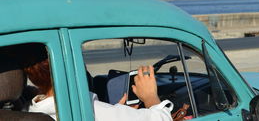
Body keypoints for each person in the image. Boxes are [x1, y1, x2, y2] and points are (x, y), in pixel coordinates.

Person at [24, 56, 173, 121]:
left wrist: (115, 111)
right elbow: (162, 119)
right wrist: (150, 96)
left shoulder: (28, 109)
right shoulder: (85, 107)